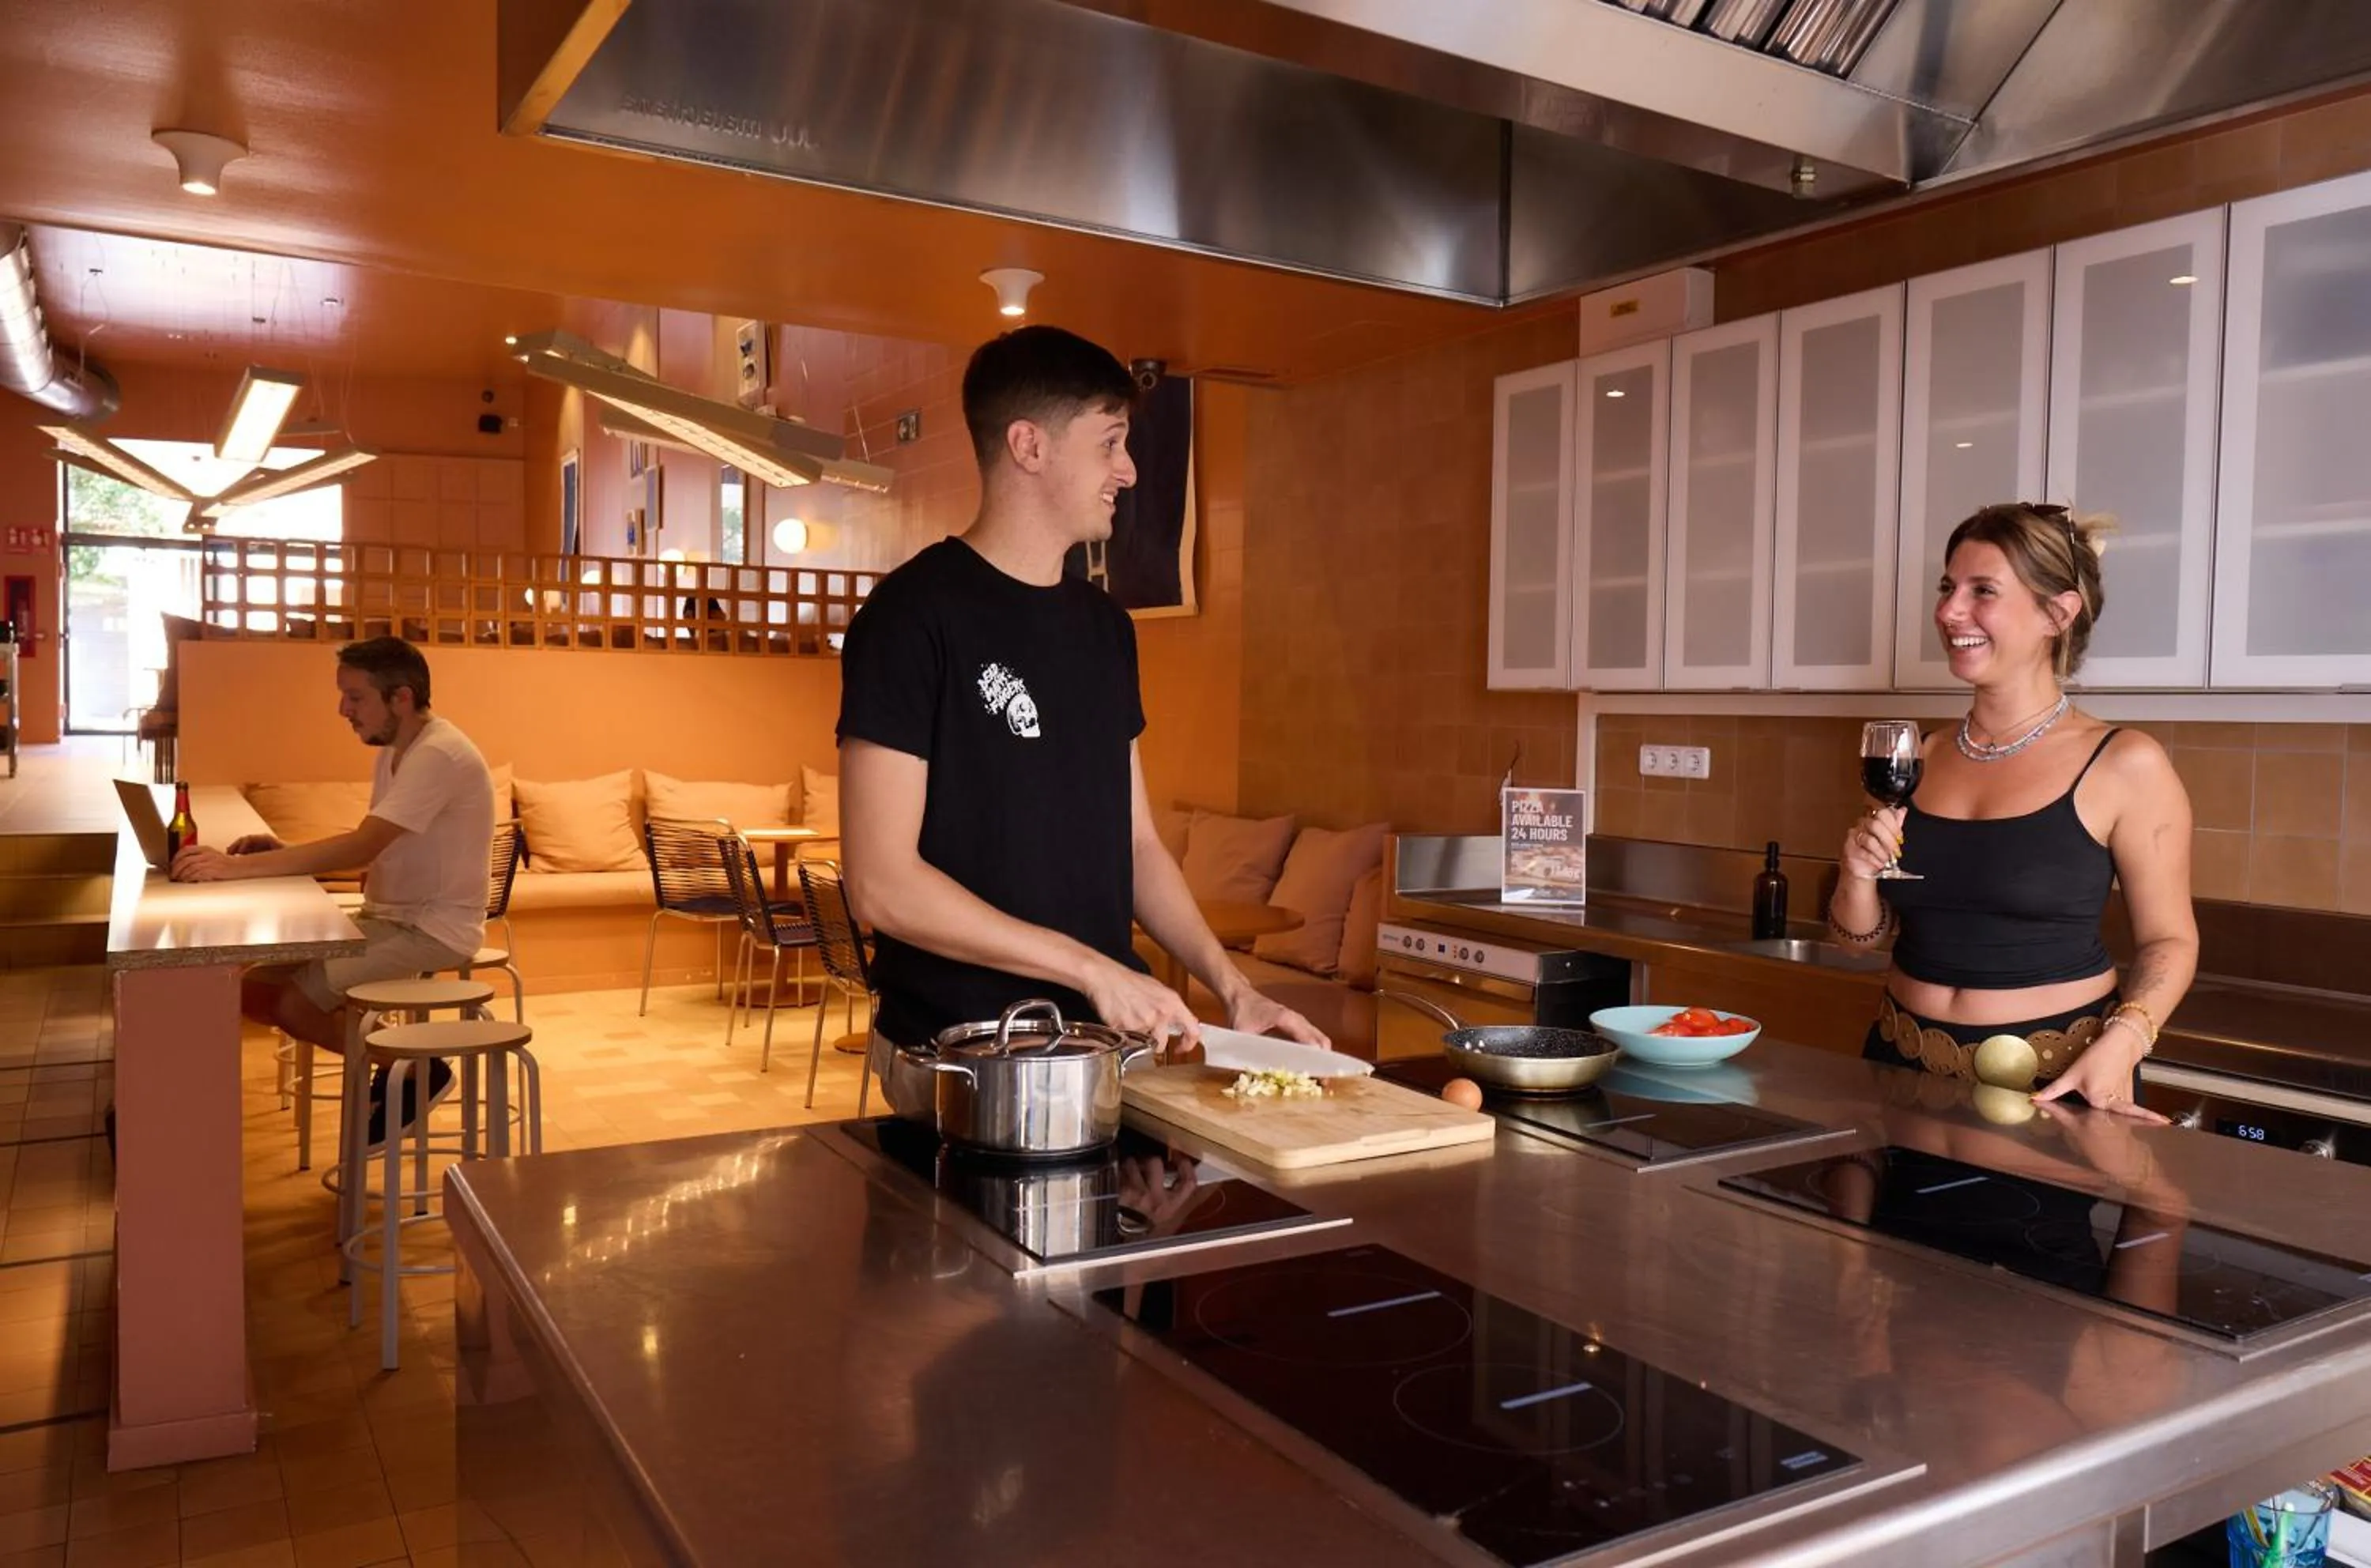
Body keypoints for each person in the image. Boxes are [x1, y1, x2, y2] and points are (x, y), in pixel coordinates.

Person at [837, 325, 1323, 1110]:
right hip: (960, 1064)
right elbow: (881, 884)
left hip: (1096, 1060)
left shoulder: (1106, 630)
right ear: (1029, 445)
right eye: (1110, 442)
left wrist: (1234, 989)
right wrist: (1091, 968)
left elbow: (1135, 846)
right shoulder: (911, 616)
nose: (1128, 471)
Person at [1829, 503, 2198, 1120]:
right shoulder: (1915, 757)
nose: (1949, 612)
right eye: (1948, 588)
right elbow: (1855, 943)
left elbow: (2170, 940)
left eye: (1983, 591)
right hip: (1898, 1067)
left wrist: (2126, 1042)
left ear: (2058, 612)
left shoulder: (2125, 763)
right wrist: (1855, 876)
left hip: (2051, 1085)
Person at [172, 636, 496, 1146]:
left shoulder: (439, 754)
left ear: (402, 698)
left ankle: (417, 1068)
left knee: (294, 1007)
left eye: (355, 696)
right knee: (248, 988)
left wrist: (233, 869)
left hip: (432, 929)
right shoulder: (396, 749)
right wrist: (283, 850)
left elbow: (363, 847)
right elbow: (375, 848)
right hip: (388, 916)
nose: (342, 709)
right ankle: (410, 1065)